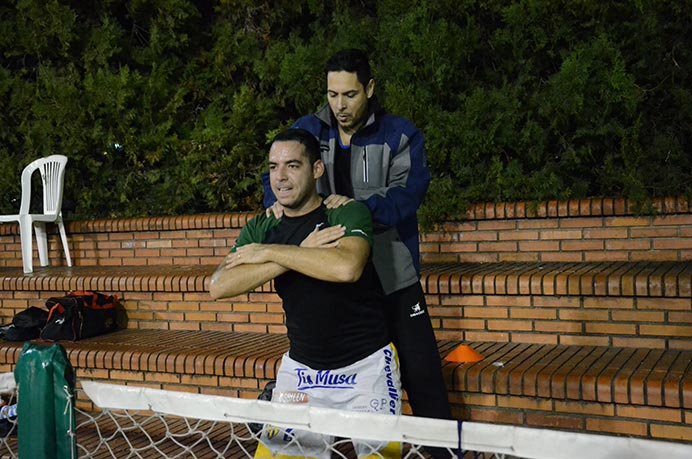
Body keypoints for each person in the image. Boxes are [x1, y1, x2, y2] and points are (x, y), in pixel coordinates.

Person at [262, 49, 453, 425]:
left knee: (423, 375)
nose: (339, 105)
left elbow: (406, 197)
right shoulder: (308, 130)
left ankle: (448, 452)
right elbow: (282, 172)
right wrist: (273, 203)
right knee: (330, 380)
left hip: (391, 276)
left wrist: (352, 209)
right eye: (332, 95)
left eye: (349, 95)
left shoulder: (401, 134)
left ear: (369, 88)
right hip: (336, 282)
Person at [211, 128, 402, 459]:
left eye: (292, 166)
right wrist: (293, 252)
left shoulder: (344, 213)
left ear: (316, 169)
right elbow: (219, 286)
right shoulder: (262, 227)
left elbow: (346, 268)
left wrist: (272, 253)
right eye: (273, 167)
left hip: (365, 369)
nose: (280, 177)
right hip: (300, 374)